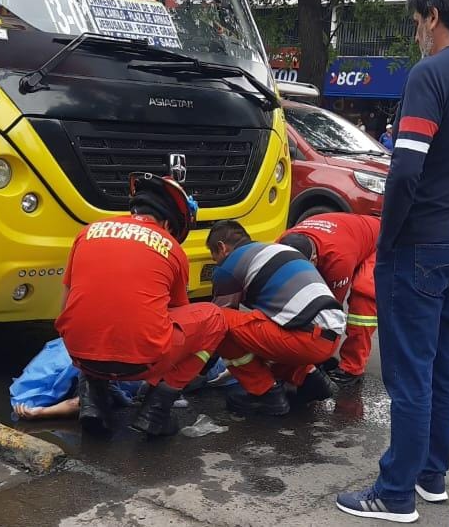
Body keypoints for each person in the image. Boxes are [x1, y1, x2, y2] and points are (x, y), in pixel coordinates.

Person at [337, 0, 449, 522]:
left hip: (422, 245)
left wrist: (388, 239)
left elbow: (406, 167)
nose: (416, 34)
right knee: (445, 364)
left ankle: (395, 493)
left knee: (409, 371)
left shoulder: (429, 75)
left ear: (434, 16)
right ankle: (432, 473)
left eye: (416, 22)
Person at [56, 173, 228, 437]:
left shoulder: (87, 232)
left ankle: (93, 404)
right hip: (142, 362)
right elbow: (177, 313)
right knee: (214, 318)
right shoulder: (170, 246)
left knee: (94, 319)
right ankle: (155, 411)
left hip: (79, 353)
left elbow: (65, 303)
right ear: (169, 223)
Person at [207, 220, 346, 416]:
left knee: (217, 319)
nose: (217, 263)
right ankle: (310, 379)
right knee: (255, 326)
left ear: (222, 248)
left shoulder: (229, 266)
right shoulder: (276, 250)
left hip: (305, 340)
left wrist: (198, 365)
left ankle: (266, 394)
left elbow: (214, 327)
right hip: (330, 338)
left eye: (215, 257)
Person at [278, 213, 380, 386]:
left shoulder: (338, 259)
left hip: (378, 242)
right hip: (348, 233)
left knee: (363, 299)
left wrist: (315, 354)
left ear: (314, 259)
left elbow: (330, 311)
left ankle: (353, 367)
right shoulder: (280, 244)